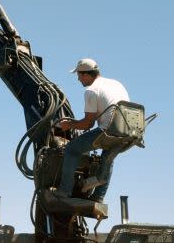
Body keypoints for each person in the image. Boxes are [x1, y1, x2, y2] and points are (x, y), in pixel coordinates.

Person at [53, 58, 129, 202]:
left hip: (108, 131)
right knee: (108, 157)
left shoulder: (91, 90)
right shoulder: (116, 83)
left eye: (79, 76)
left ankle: (64, 191)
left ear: (86, 75)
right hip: (127, 131)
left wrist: (68, 125)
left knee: (71, 149)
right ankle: (98, 197)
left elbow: (88, 124)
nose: (78, 79)